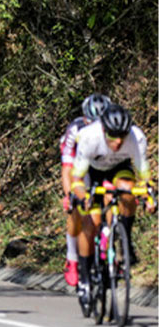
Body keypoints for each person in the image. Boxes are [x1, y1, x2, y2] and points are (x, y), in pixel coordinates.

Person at [69, 104, 153, 308]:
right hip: (91, 172)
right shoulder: (89, 137)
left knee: (128, 190)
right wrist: (83, 197)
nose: (118, 142)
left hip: (119, 168)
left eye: (122, 136)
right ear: (103, 130)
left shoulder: (136, 138)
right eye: (113, 136)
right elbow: (77, 178)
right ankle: (85, 278)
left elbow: (144, 175)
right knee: (90, 223)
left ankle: (125, 240)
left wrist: (148, 196)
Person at [59, 93, 110, 286]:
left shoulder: (113, 128)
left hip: (101, 164)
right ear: (85, 119)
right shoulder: (75, 130)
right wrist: (69, 195)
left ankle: (110, 242)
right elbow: (67, 168)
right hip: (79, 164)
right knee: (77, 209)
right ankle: (72, 258)